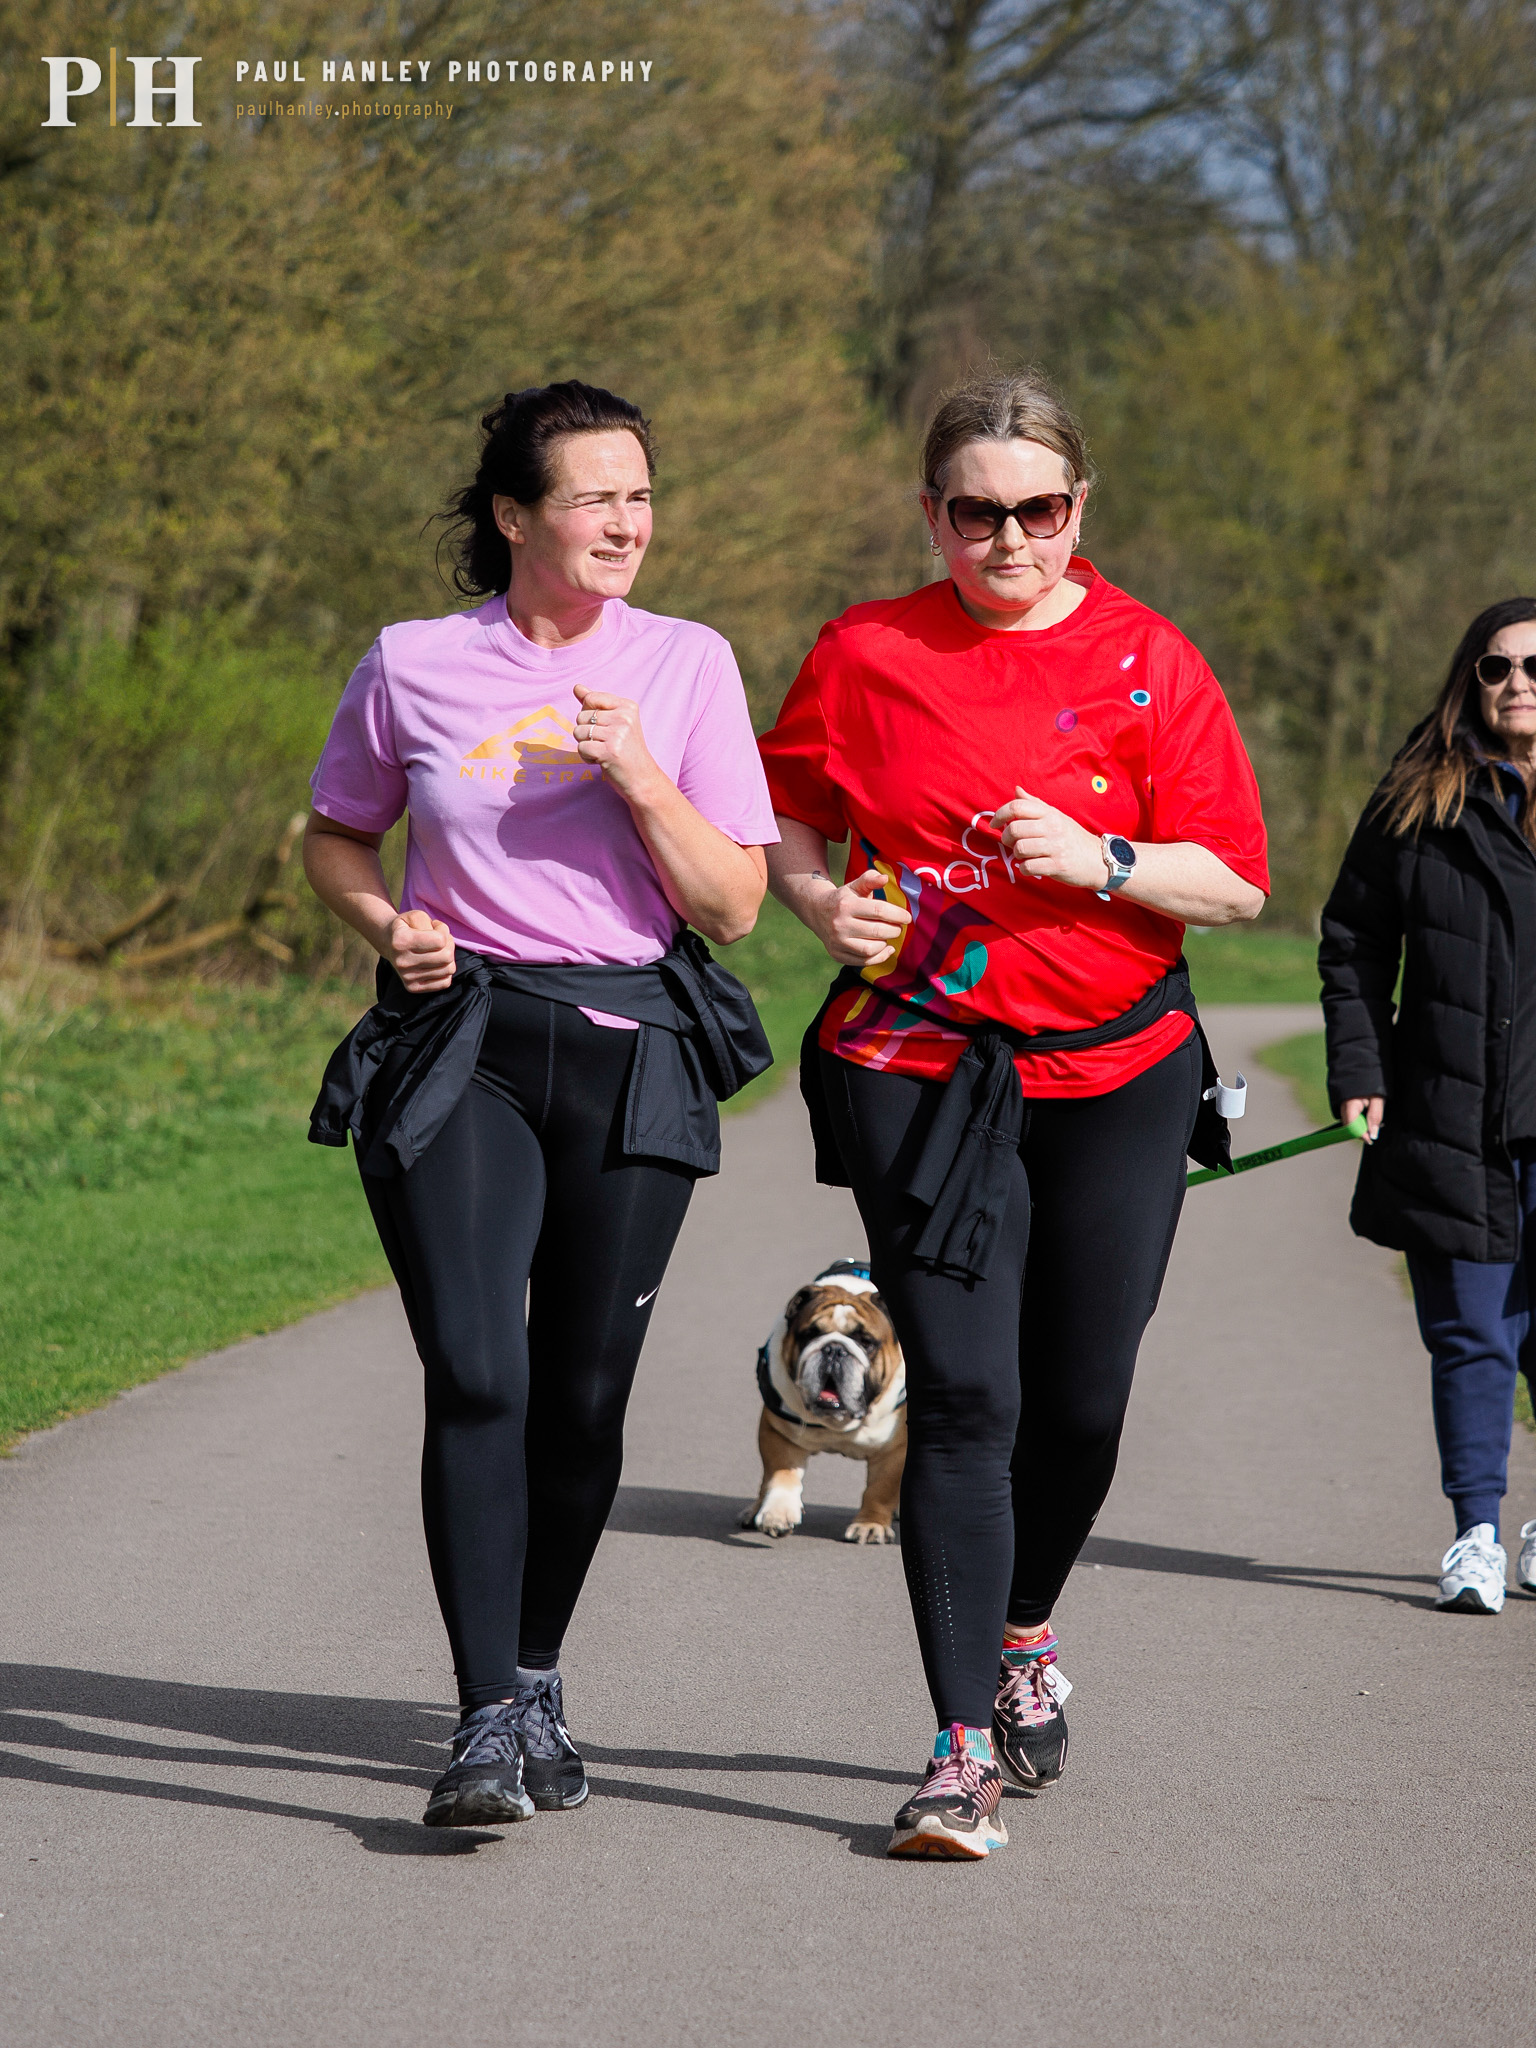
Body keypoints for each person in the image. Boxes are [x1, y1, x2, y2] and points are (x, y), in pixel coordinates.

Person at [756, 370, 1269, 1861]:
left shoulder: (1148, 661)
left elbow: (1233, 883)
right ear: (932, 515)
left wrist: (1105, 858)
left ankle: (1026, 1626)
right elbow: (785, 810)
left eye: (1036, 511)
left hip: (1118, 1072)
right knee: (968, 1402)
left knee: (1082, 1404)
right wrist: (814, 898)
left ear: (1077, 510)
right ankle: (956, 1751)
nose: (1007, 540)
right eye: (975, 513)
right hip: (919, 1067)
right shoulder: (864, 653)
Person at [304, 381, 777, 1828]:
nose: (626, 521)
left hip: (632, 1041)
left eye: (639, 494)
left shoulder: (690, 665)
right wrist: (390, 924)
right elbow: (335, 834)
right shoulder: (413, 662)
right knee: (477, 1370)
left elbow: (738, 905)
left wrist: (637, 770)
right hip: (465, 1043)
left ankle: (537, 1666)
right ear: (514, 515)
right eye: (593, 495)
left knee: (580, 1400)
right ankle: (486, 1719)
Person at [1320, 597, 1536, 1617]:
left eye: (1533, 665)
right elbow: (1354, 940)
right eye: (1494, 667)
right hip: (1451, 1118)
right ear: (1469, 680)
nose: (1515, 683)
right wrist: (1359, 1065)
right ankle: (1478, 1532)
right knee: (1470, 1335)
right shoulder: (1420, 799)